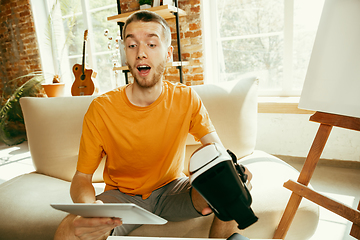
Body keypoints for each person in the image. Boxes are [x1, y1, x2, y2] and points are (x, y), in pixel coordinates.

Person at [54, 10, 252, 240]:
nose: (141, 53)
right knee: (71, 228)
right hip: (122, 198)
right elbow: (81, 178)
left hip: (173, 190)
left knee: (234, 183)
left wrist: (234, 174)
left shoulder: (186, 98)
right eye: (132, 45)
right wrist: (90, 209)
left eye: (151, 44)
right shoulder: (101, 109)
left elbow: (218, 154)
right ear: (125, 54)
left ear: (167, 53)